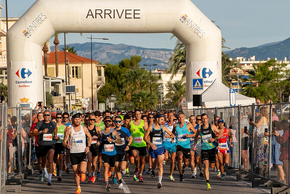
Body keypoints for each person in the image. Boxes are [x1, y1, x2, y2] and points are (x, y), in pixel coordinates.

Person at [63, 113, 92, 194]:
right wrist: (66, 145)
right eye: (75, 119)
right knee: (76, 173)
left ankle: (83, 173)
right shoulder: (69, 130)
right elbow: (64, 142)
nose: (77, 121)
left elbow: (90, 137)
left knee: (82, 170)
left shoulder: (84, 128)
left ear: (80, 120)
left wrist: (88, 146)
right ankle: (78, 187)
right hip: (73, 153)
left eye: (78, 119)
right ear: (72, 120)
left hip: (82, 152)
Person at [145, 113, 175, 188]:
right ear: (157, 119)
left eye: (163, 120)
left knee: (160, 164)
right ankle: (152, 170)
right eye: (161, 119)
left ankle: (159, 182)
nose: (163, 121)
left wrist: (170, 137)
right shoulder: (151, 127)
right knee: (154, 165)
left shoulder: (163, 127)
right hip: (153, 148)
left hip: (160, 148)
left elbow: (172, 134)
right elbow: (145, 138)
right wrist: (151, 144)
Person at [195, 113, 222, 190]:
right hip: (204, 149)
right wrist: (195, 144)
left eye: (205, 118)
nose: (204, 120)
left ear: (208, 119)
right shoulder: (199, 128)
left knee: (212, 166)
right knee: (206, 164)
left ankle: (209, 173)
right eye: (202, 119)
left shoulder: (212, 126)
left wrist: (215, 139)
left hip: (212, 149)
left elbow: (220, 134)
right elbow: (196, 136)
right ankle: (208, 183)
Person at [33, 110, 57, 186]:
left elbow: (55, 128)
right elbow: (34, 132)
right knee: (44, 161)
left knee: (50, 160)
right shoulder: (40, 123)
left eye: (47, 115)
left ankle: (49, 179)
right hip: (42, 145)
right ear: (43, 116)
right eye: (45, 115)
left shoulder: (53, 123)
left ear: (50, 116)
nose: (46, 116)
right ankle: (44, 169)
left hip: (50, 144)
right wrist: (41, 132)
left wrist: (55, 135)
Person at [100, 116, 123, 191]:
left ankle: (119, 180)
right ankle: (107, 183)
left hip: (113, 153)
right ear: (104, 122)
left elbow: (120, 141)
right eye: (106, 121)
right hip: (105, 152)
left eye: (109, 121)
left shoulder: (113, 132)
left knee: (116, 167)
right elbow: (98, 141)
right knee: (106, 167)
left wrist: (113, 141)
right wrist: (97, 142)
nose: (107, 122)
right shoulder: (101, 132)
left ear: (111, 122)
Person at [172, 112, 196, 182]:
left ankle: (183, 168)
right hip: (179, 145)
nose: (180, 118)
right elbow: (173, 133)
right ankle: (181, 175)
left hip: (187, 146)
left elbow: (195, 133)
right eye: (179, 117)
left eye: (182, 117)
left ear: (184, 117)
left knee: (186, 162)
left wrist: (190, 135)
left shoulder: (188, 125)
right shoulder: (175, 125)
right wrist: (172, 137)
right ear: (177, 118)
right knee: (179, 157)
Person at [129, 110, 148, 182]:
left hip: (142, 144)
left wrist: (145, 129)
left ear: (141, 114)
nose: (138, 115)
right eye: (136, 114)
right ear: (134, 115)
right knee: (136, 157)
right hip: (134, 144)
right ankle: (137, 167)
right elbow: (128, 132)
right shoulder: (131, 123)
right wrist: (128, 138)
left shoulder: (144, 122)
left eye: (139, 114)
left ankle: (140, 174)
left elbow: (147, 132)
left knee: (142, 161)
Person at [113, 116, 132, 189]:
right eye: (116, 121)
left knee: (123, 168)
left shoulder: (125, 130)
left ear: (121, 122)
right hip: (115, 151)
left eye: (119, 121)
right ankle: (120, 182)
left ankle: (125, 168)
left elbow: (130, 138)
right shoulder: (112, 130)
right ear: (114, 122)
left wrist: (128, 146)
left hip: (123, 151)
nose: (117, 123)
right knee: (117, 167)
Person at [249, 106, 269, 176]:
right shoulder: (267, 118)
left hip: (262, 138)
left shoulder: (263, 118)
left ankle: (264, 168)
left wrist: (252, 123)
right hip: (264, 138)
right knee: (264, 153)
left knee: (262, 153)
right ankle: (264, 169)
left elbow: (257, 125)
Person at [86, 113, 102, 183]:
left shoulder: (97, 128)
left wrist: (98, 140)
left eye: (93, 119)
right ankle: (89, 175)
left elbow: (102, 136)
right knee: (89, 160)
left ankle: (93, 173)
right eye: (90, 119)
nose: (92, 121)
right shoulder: (85, 128)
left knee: (94, 163)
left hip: (95, 147)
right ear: (88, 120)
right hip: (88, 147)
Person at [163, 111, 176, 181]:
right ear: (167, 117)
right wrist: (166, 135)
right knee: (166, 157)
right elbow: (162, 133)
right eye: (169, 116)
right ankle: (162, 164)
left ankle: (171, 174)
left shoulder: (176, 125)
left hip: (173, 144)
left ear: (174, 117)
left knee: (172, 161)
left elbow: (177, 133)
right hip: (165, 143)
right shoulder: (164, 124)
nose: (170, 117)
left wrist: (172, 137)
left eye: (172, 116)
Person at [53, 113, 66, 181]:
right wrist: (54, 137)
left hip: (61, 144)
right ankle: (57, 166)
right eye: (57, 117)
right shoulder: (53, 126)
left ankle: (60, 175)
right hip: (55, 144)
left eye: (60, 117)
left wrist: (65, 141)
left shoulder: (64, 127)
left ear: (62, 118)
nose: (59, 119)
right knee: (55, 159)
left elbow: (66, 136)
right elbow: (51, 135)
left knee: (61, 158)